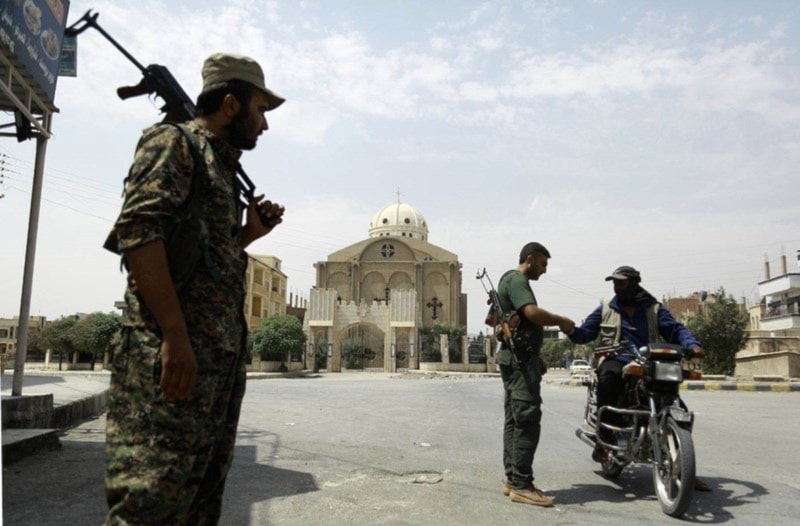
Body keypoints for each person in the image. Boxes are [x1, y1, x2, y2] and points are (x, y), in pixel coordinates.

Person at [103, 53, 286, 524]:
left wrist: (249, 234)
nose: (265, 125)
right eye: (260, 110)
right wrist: (175, 337)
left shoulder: (220, 170)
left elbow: (206, 259)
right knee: (150, 505)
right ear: (230, 104)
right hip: (172, 366)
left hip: (212, 370)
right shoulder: (172, 143)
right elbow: (140, 235)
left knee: (196, 506)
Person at [567, 265, 712, 492]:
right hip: (617, 359)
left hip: (648, 362)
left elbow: (675, 330)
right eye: (614, 282)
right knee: (608, 376)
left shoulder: (653, 308)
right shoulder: (606, 307)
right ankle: (603, 440)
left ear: (634, 284)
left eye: (621, 282)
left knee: (673, 400)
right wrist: (569, 329)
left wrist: (692, 345)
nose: (616, 287)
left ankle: (683, 465)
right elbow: (585, 333)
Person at [497, 242, 576, 507]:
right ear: (530, 259)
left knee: (514, 419)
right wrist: (561, 320)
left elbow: (521, 324)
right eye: (543, 264)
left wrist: (537, 354)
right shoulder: (518, 281)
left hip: (516, 357)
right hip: (519, 362)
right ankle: (522, 484)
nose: (544, 270)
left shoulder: (507, 279)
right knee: (527, 418)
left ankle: (512, 479)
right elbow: (531, 313)